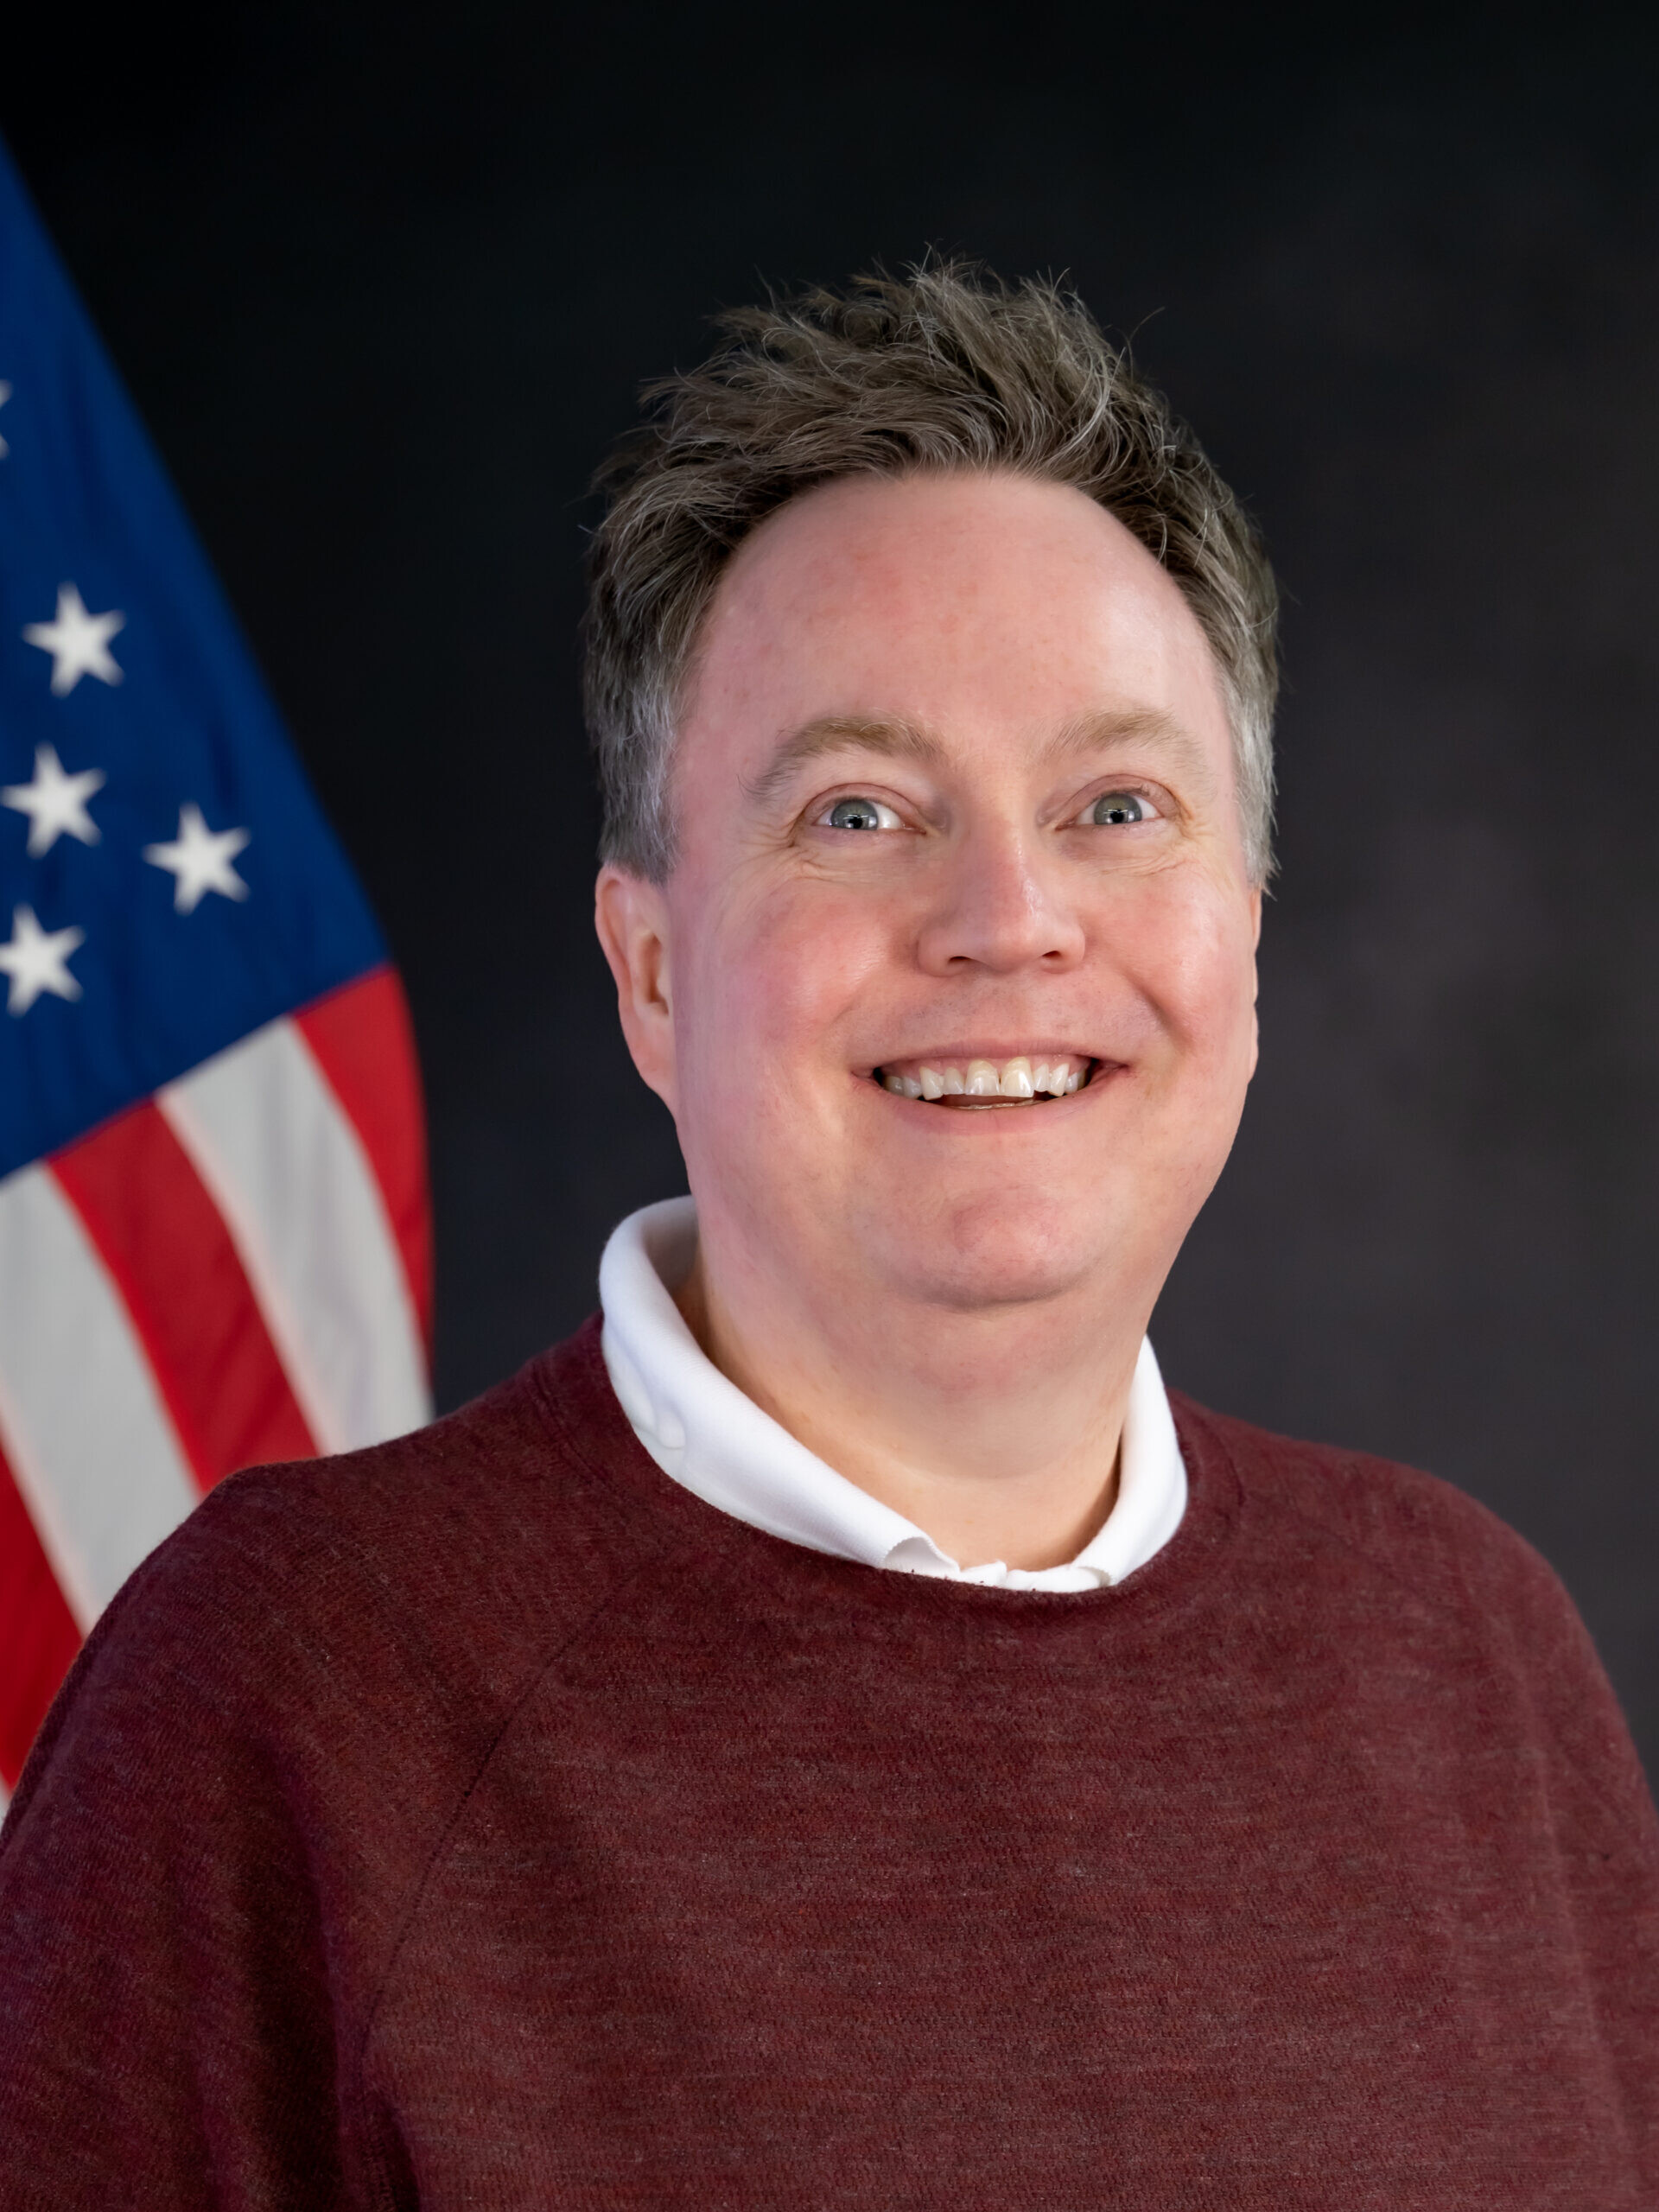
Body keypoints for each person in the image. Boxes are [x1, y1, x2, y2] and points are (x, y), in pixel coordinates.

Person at [2, 264, 1655, 2209]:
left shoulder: (1474, 1654)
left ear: (1252, 928)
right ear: (647, 970)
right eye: (860, 814)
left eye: (1120, 803)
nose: (1009, 917)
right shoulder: (290, 1689)